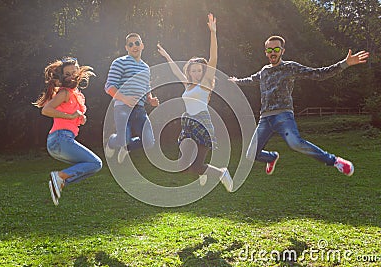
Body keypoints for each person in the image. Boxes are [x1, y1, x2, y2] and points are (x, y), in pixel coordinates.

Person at [229, 35, 370, 176]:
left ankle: (335, 161)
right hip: (265, 119)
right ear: (266, 52)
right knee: (250, 154)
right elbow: (250, 80)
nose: (273, 52)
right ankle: (272, 157)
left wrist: (345, 63)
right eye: (270, 49)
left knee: (295, 143)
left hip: (283, 115)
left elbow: (318, 74)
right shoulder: (264, 71)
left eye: (276, 49)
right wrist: (236, 81)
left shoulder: (290, 67)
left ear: (282, 51)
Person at [157, 13, 233, 192]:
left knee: (195, 167)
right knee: (184, 166)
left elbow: (213, 59)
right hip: (188, 124)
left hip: (202, 123)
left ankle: (221, 173)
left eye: (200, 70)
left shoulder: (206, 84)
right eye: (193, 71)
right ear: (189, 72)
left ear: (203, 71)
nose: (197, 73)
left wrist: (213, 33)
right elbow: (176, 71)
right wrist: (167, 56)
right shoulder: (188, 85)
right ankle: (203, 172)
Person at [33, 57, 102, 206]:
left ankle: (60, 181)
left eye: (73, 72)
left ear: (79, 71)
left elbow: (69, 114)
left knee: (91, 166)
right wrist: (71, 116)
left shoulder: (73, 94)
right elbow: (46, 110)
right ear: (62, 77)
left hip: (59, 142)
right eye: (67, 74)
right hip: (60, 139)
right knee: (96, 163)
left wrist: (79, 119)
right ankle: (59, 177)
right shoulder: (64, 93)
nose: (71, 76)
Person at [105, 33, 159, 164]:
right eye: (131, 44)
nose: (134, 46)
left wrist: (150, 100)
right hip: (122, 108)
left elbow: (146, 89)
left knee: (149, 143)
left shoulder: (146, 68)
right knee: (124, 139)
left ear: (142, 46)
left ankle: (127, 148)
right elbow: (109, 87)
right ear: (126, 47)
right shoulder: (119, 62)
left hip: (139, 110)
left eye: (137, 43)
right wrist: (125, 99)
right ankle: (112, 142)